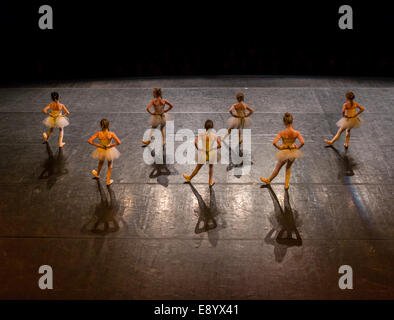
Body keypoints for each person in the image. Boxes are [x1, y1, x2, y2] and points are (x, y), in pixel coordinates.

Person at [260, 112, 304, 190]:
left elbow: (274, 142)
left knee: (278, 168)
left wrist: (280, 148)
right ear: (292, 121)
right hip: (293, 152)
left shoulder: (282, 133)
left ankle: (268, 180)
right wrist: (297, 148)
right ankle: (286, 184)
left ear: (284, 122)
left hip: (284, 152)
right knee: (288, 167)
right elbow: (302, 142)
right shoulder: (296, 133)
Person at [183, 120, 221, 187]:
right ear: (212, 127)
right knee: (211, 167)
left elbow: (195, 142)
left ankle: (189, 178)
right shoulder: (214, 136)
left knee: (197, 168)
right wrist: (214, 148)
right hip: (211, 153)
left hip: (203, 153)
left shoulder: (202, 135)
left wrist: (198, 148)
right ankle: (210, 182)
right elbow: (220, 145)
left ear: (204, 127)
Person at [88, 119, 121, 186]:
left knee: (100, 163)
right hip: (109, 150)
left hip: (102, 150)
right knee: (110, 165)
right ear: (109, 126)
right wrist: (110, 146)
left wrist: (98, 145)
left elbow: (90, 141)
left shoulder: (98, 133)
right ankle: (108, 180)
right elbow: (118, 142)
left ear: (100, 126)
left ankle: (97, 174)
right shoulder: (111, 134)